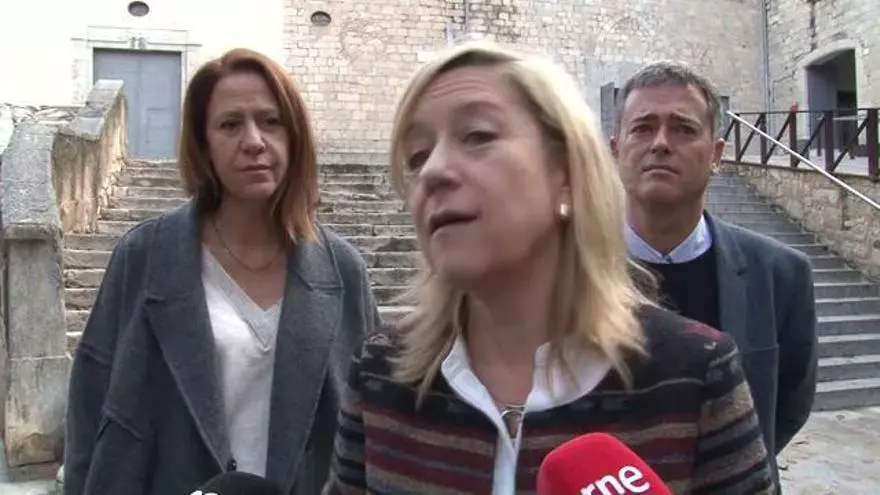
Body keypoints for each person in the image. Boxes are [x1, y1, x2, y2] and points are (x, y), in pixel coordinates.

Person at [324, 41, 775, 494]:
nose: (433, 171)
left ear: (567, 173)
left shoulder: (697, 373)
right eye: (417, 156)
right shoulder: (379, 371)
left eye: (478, 136)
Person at [63, 48, 380, 495]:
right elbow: (89, 412)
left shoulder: (343, 270)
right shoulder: (144, 257)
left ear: (294, 135)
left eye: (270, 121)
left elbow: (374, 425)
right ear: (204, 144)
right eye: (230, 125)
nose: (254, 141)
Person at [611, 61, 818, 483]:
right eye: (643, 128)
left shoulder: (780, 274)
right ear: (615, 150)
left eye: (683, 129)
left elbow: (789, 402)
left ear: (717, 154)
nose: (660, 143)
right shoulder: (562, 270)